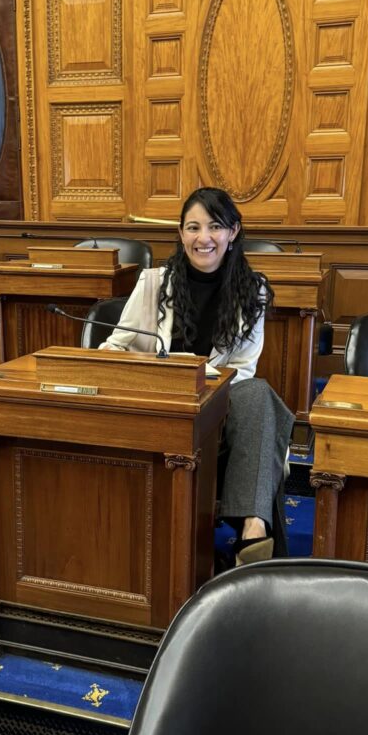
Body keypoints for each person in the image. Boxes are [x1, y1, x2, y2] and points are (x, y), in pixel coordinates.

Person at [100, 187, 294, 564]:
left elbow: (243, 370)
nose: (203, 238)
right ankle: (254, 538)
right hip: (158, 408)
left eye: (215, 227)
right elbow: (115, 347)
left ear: (233, 232)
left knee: (257, 392)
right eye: (193, 227)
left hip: (214, 414)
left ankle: (253, 531)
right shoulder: (154, 282)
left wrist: (200, 388)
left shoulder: (253, 292)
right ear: (180, 232)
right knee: (263, 399)